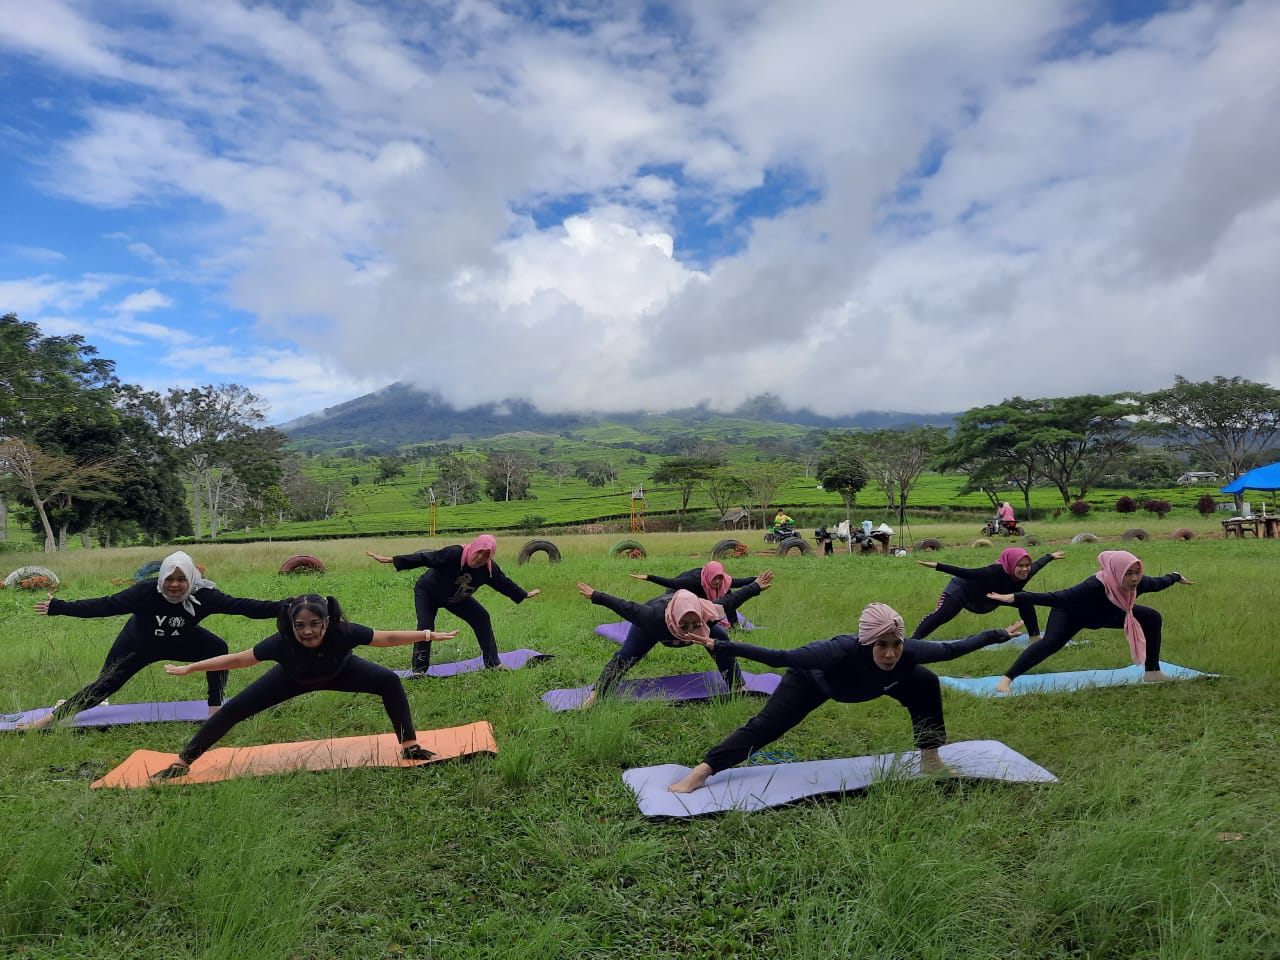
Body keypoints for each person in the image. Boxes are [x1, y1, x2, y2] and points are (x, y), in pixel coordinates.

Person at [668, 603, 1024, 793]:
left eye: (895, 644)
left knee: (925, 683)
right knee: (766, 725)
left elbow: (951, 648)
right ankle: (704, 770)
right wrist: (722, 644)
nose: (889, 654)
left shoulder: (907, 653)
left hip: (879, 686)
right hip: (816, 684)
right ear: (866, 643)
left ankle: (930, 758)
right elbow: (781, 657)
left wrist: (997, 634)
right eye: (881, 646)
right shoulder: (835, 651)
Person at [148, 594, 460, 781]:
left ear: (327, 621)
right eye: (300, 625)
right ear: (292, 625)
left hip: (342, 672)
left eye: (315, 624)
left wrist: (428, 635)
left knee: (389, 681)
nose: (308, 631)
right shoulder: (281, 644)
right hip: (291, 679)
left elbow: (386, 638)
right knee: (233, 710)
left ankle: (409, 747)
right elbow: (241, 660)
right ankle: (182, 761)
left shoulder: (344, 632)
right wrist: (193, 667)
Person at [21, 551, 283, 730]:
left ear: (191, 579)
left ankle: (215, 709)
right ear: (162, 578)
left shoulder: (205, 595)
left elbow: (246, 607)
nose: (175, 585)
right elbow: (105, 605)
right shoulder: (145, 592)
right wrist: (60, 607)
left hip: (181, 642)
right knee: (104, 686)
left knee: (218, 649)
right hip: (137, 645)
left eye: (182, 579)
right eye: (170, 578)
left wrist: (289, 607)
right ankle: (48, 720)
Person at [986, 550, 1194, 694]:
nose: (1133, 578)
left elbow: (1160, 582)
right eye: (1128, 574)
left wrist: (1176, 576)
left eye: (1137, 572)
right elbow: (1058, 598)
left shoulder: (1141, 582)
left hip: (1106, 615)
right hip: (1071, 614)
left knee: (1152, 617)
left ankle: (1152, 671)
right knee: (1050, 643)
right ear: (1116, 572)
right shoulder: (1094, 585)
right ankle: (1007, 678)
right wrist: (1017, 597)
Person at [575, 573, 774, 707]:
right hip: (655, 628)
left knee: (721, 640)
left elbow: (734, 599)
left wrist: (755, 586)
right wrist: (596, 596)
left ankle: (737, 685)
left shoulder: (710, 613)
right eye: (684, 626)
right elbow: (624, 606)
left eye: (694, 625)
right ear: (676, 621)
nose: (689, 632)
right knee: (625, 656)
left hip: (690, 617)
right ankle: (597, 693)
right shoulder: (650, 617)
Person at [365, 534, 540, 674]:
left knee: (481, 617)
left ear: (490, 556)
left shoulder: (489, 570)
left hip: (454, 598)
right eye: (478, 552)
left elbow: (503, 583)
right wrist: (391, 559)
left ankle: (493, 664)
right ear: (473, 547)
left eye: (486, 555)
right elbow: (426, 557)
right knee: (425, 627)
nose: (479, 558)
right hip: (428, 592)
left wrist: (523, 594)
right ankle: (419, 670)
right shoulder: (454, 553)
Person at [912, 547, 1065, 640]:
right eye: (1020, 565)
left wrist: (1050, 556)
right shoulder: (993, 572)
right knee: (943, 615)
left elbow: (1038, 564)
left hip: (992, 599)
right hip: (963, 592)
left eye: (1027, 565)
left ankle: (1034, 637)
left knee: (1025, 600)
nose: (1025, 569)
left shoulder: (1027, 572)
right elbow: (967, 573)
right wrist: (938, 565)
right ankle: (913, 641)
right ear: (1011, 565)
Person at [628, 561, 759, 627]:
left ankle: (734, 626)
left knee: (728, 595)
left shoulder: (724, 581)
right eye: (715, 578)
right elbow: (672, 583)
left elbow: (740, 582)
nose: (718, 581)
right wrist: (649, 577)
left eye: (720, 577)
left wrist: (758, 580)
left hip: (699, 594)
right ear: (709, 576)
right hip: (677, 591)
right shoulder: (693, 580)